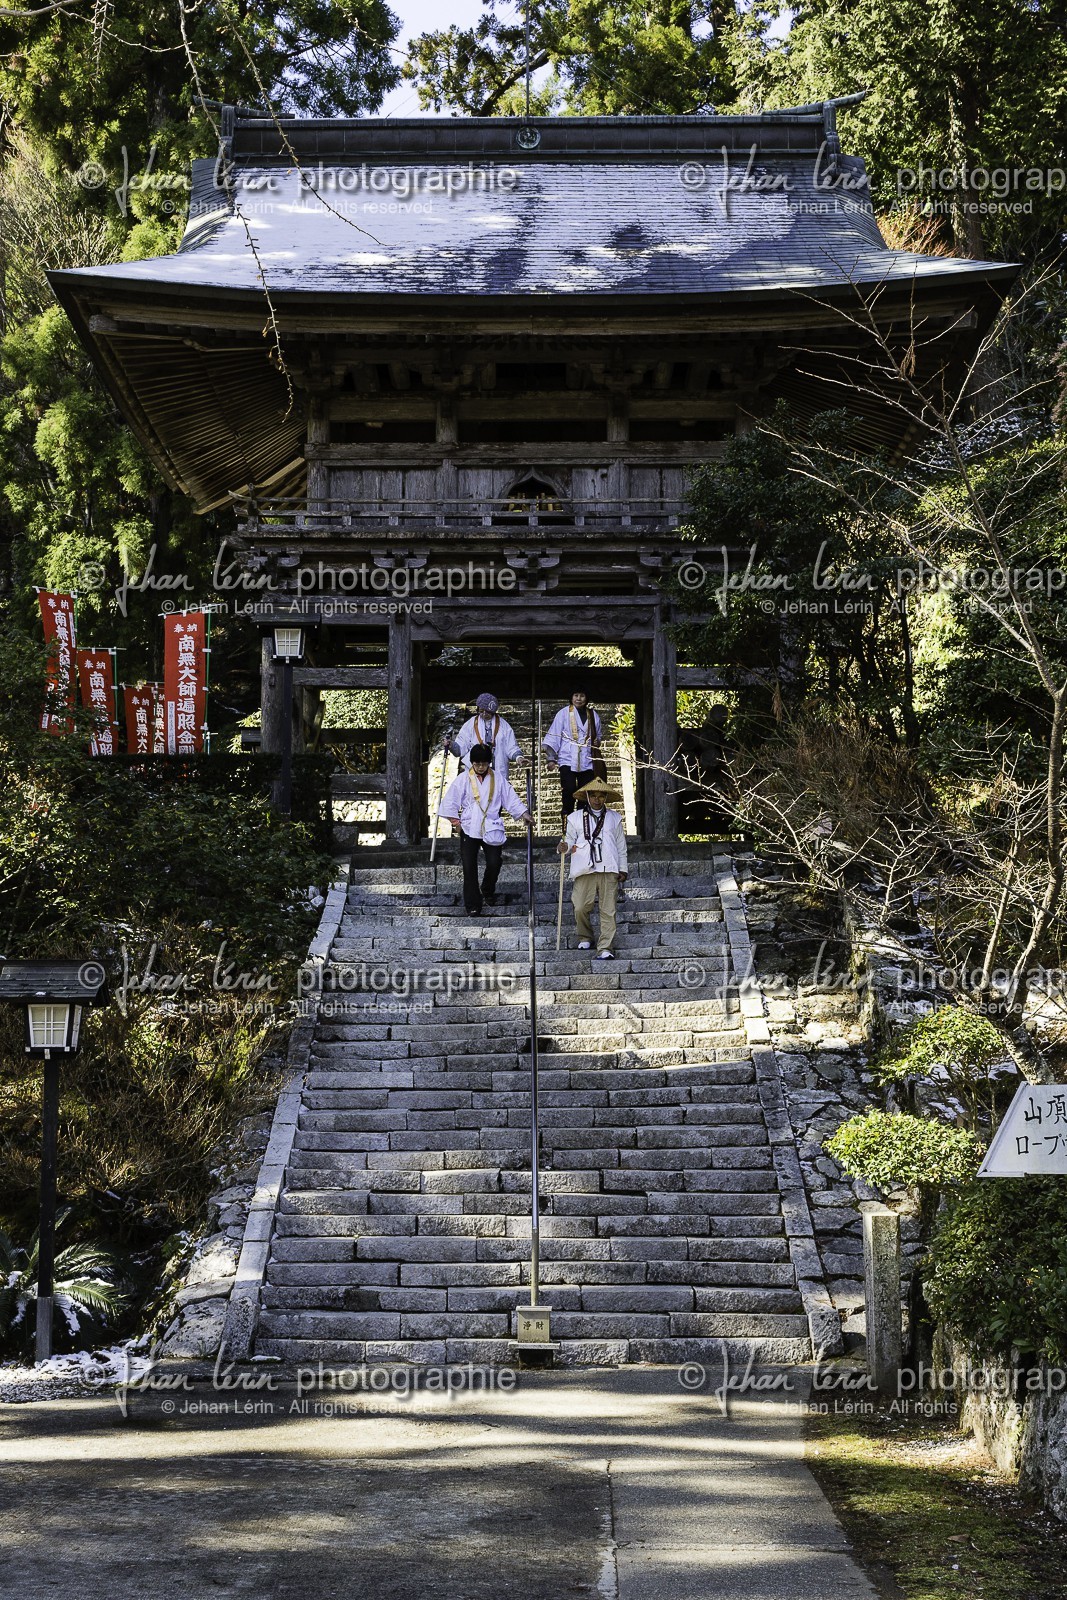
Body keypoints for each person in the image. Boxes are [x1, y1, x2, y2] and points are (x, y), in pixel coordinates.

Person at [442, 744, 533, 915]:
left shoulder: (498, 778)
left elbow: (510, 798)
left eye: (483, 764)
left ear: (489, 763)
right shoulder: (464, 778)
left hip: (491, 826)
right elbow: (450, 801)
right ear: (472, 763)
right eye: (477, 764)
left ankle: (487, 888)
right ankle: (473, 905)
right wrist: (457, 823)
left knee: (494, 861)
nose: (480, 767)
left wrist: (523, 814)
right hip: (469, 826)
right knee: (469, 867)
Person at [557, 776, 627, 959]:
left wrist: (623, 868)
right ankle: (585, 936)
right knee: (580, 906)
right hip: (584, 867)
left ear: (605, 797)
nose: (597, 799)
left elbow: (621, 845)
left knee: (608, 909)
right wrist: (563, 846)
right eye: (593, 796)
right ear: (587, 797)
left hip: (608, 866)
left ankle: (605, 948)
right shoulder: (574, 818)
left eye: (601, 796)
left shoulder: (614, 818)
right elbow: (568, 840)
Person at [542, 689, 603, 818]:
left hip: (587, 759)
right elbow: (554, 735)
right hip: (567, 758)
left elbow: (598, 735)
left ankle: (583, 823)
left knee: (585, 793)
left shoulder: (593, 715)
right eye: (576, 695)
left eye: (582, 695)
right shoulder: (563, 713)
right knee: (569, 789)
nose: (579, 699)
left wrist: (597, 741)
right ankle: (567, 822)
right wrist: (551, 758)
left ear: (586, 698)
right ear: (571, 697)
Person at [450, 692, 526, 783]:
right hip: (476, 768)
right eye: (482, 711)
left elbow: (511, 746)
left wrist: (518, 757)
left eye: (488, 711)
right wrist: (451, 745)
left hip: (496, 768)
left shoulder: (504, 725)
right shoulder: (470, 724)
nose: (484, 714)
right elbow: (461, 745)